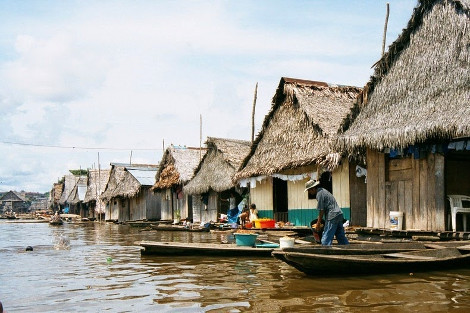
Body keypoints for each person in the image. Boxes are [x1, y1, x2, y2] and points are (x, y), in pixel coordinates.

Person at [305, 179, 349, 246]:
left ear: (313, 188)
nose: (309, 192)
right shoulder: (323, 191)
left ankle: (325, 252)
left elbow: (321, 210)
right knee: (341, 237)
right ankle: (347, 250)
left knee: (326, 239)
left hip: (332, 216)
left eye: (309, 190)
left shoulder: (319, 194)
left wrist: (318, 223)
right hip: (339, 214)